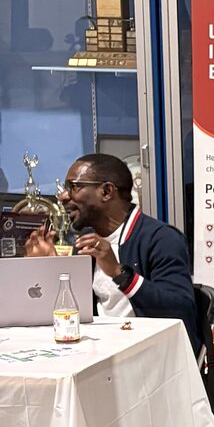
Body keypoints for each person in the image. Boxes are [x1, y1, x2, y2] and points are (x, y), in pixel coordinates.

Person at [25, 152, 200, 357]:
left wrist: (119, 273)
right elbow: (75, 315)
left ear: (107, 191)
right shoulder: (85, 244)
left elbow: (179, 310)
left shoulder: (161, 239)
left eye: (73, 187)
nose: (63, 196)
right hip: (99, 353)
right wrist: (50, 268)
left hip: (150, 357)